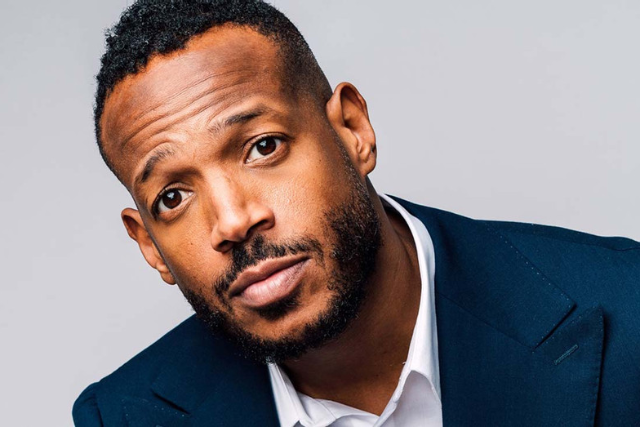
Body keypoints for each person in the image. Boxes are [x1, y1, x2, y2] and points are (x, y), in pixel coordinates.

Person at [73, 1, 640, 426]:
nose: (233, 222)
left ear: (352, 130)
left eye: (263, 147)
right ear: (149, 245)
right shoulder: (122, 416)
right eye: (173, 197)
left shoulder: (627, 309)